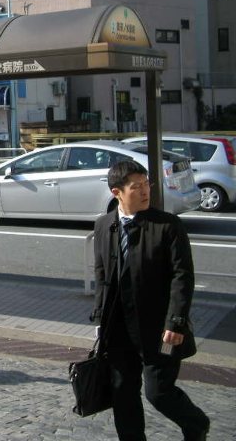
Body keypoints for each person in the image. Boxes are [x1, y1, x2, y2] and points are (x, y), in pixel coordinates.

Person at [91, 160, 209, 441]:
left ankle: (196, 423)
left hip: (158, 328)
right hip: (118, 328)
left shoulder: (167, 225)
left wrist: (176, 321)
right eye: (137, 187)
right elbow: (101, 274)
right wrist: (99, 319)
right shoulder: (103, 225)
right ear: (116, 192)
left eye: (147, 185)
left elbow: (182, 277)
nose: (146, 191)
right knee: (123, 392)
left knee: (159, 392)